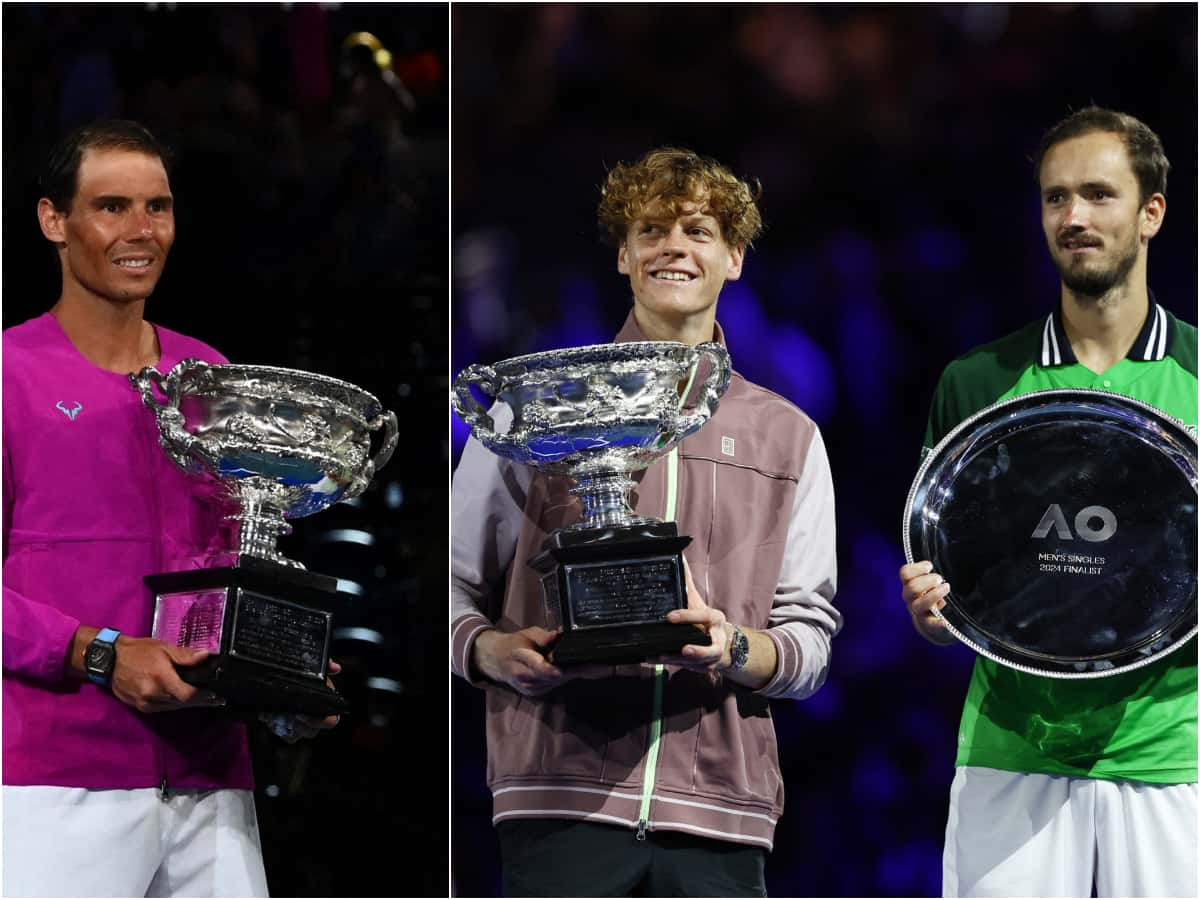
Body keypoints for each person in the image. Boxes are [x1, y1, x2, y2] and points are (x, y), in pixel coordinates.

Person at [451, 147, 841, 896]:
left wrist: (730, 645)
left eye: (698, 230)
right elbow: (453, 581)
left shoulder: (789, 437)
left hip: (720, 818)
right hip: (557, 800)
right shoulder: (535, 404)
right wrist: (489, 651)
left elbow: (810, 640)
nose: (673, 246)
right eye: (652, 228)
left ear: (734, 258)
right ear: (625, 256)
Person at [2, 119, 336, 898]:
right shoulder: (7, 375)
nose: (141, 231)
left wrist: (279, 666)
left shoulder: (209, 375)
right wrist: (99, 652)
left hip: (211, 776)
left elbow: (230, 564)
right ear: (54, 220)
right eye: (111, 206)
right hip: (54, 779)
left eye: (158, 207)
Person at [899, 107, 1197, 898]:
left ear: (1151, 212)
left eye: (1099, 195)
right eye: (1055, 197)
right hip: (1011, 754)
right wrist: (932, 614)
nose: (1074, 217)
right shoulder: (978, 383)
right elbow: (953, 574)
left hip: (1177, 753)